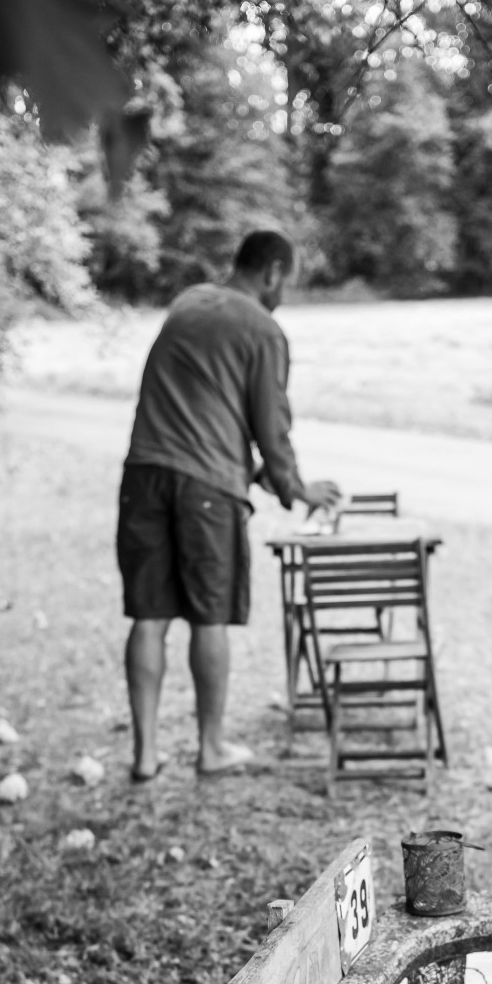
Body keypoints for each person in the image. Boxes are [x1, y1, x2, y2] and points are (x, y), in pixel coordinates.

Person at [116, 229, 342, 780]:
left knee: (149, 616)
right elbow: (270, 426)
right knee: (207, 617)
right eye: (286, 281)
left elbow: (203, 409)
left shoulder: (188, 303)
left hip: (144, 474)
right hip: (208, 493)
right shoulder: (263, 330)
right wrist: (296, 489)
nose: (284, 292)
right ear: (272, 272)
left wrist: (256, 473)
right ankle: (210, 747)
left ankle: (145, 757)